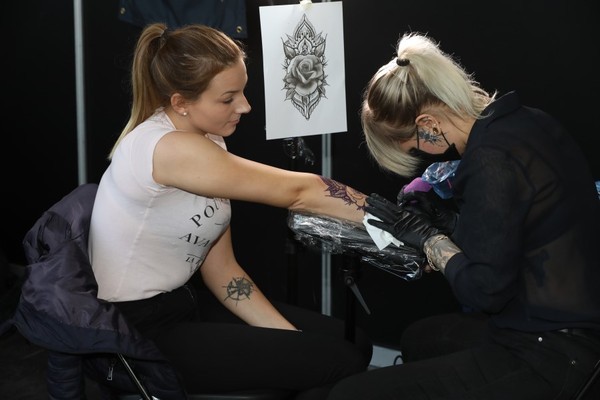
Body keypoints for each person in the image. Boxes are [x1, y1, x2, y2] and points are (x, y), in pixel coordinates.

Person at [88, 22, 373, 399]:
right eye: (228, 99)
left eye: (243, 91)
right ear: (181, 102)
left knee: (352, 344)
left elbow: (222, 271)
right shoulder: (169, 149)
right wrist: (401, 227)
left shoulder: (207, 138)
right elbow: (300, 191)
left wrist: (291, 340)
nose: (245, 106)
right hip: (134, 332)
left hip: (182, 303)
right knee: (339, 362)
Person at [326, 31, 600, 400]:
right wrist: (450, 223)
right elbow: (517, 236)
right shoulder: (527, 122)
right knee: (420, 339)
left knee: (349, 394)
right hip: (565, 323)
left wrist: (429, 239)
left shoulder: (489, 159)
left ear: (429, 124)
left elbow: (485, 292)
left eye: (414, 147)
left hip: (551, 352)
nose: (423, 155)